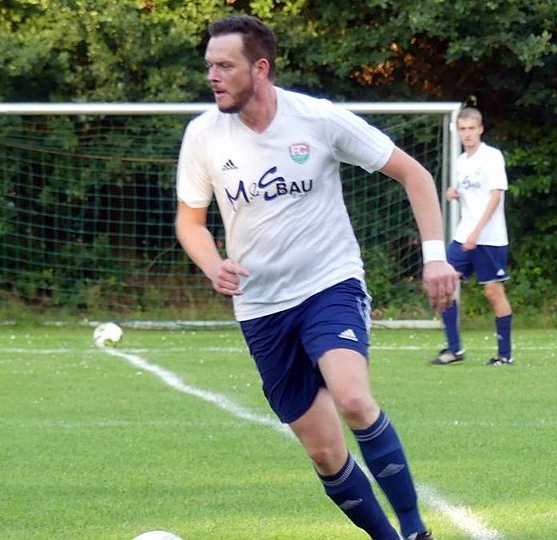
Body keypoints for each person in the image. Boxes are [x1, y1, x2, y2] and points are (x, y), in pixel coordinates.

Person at [174, 14, 458, 540]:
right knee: (326, 453)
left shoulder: (318, 119)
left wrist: (436, 257)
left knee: (353, 399)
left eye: (225, 66)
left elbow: (415, 175)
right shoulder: (203, 135)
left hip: (330, 285)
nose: (212, 76)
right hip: (261, 308)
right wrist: (213, 264)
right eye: (209, 65)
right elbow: (189, 221)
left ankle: (416, 531)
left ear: (260, 68)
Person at [430, 107, 513, 366]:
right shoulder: (461, 162)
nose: (467, 134)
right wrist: (453, 194)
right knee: (442, 284)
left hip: (489, 238)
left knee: (492, 292)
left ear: (480, 129)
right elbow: (469, 194)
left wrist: (477, 232)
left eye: (471, 129)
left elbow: (495, 196)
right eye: (462, 129)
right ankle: (454, 349)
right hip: (463, 235)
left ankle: (504, 355)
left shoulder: (492, 157)